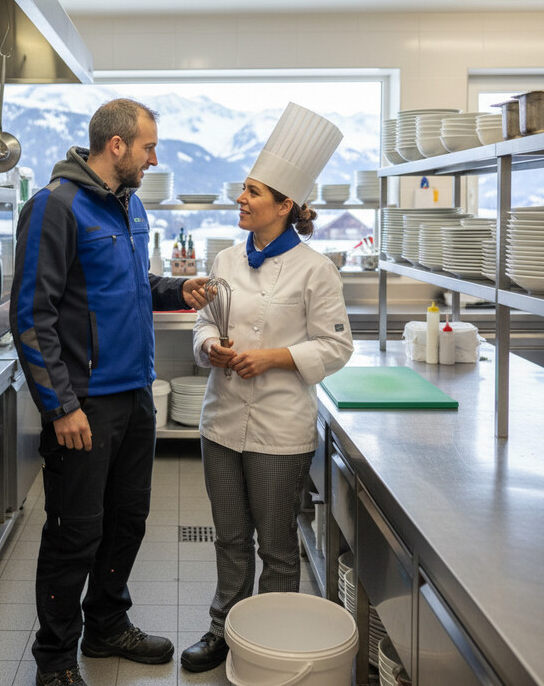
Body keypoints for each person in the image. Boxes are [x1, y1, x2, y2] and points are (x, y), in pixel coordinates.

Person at [10, 98, 209, 686]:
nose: (154, 158)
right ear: (116, 146)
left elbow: (131, 285)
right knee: (75, 532)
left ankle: (106, 626)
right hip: (85, 404)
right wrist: (61, 406)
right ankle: (53, 659)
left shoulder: (130, 205)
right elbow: (31, 315)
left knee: (127, 521)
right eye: (149, 147)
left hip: (135, 398)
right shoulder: (55, 206)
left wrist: (178, 289)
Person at [181, 102, 354, 673]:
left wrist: (273, 358)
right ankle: (222, 629)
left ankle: (276, 639)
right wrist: (212, 347)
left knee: (277, 548)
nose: (241, 199)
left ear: (285, 206)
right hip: (222, 422)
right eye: (243, 190)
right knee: (229, 539)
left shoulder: (316, 269)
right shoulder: (225, 258)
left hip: (282, 430)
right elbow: (207, 323)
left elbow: (336, 347)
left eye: (253, 192)